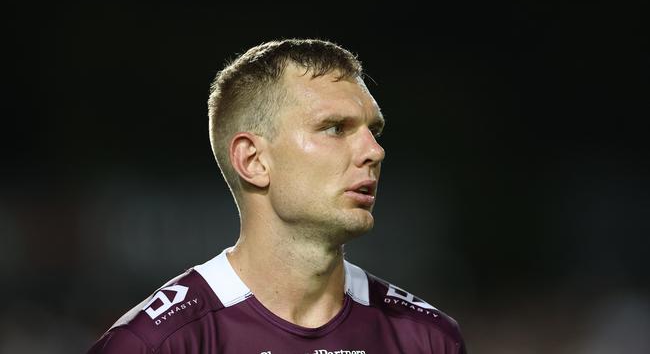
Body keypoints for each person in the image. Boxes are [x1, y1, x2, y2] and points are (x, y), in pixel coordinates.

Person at [87, 38, 466, 353]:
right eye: (335, 128)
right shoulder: (156, 343)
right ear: (253, 160)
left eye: (373, 131)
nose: (374, 151)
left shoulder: (428, 339)